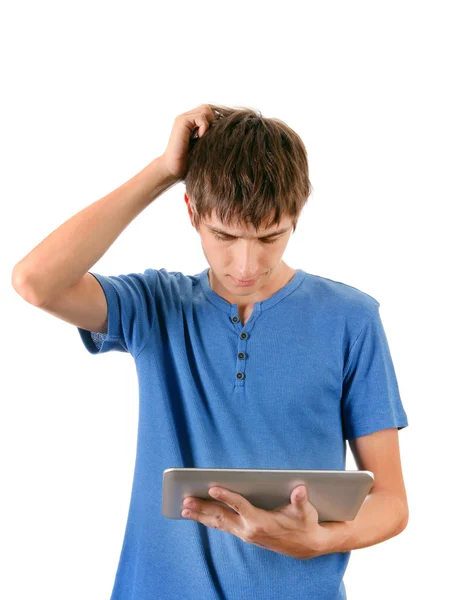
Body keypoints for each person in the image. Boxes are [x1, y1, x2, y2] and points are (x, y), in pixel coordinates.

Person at [12, 103, 409, 600]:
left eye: (270, 236)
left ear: (296, 218)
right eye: (224, 235)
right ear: (192, 214)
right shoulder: (156, 306)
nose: (246, 263)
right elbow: (35, 281)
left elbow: (392, 501)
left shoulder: (352, 319)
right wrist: (164, 171)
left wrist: (322, 539)